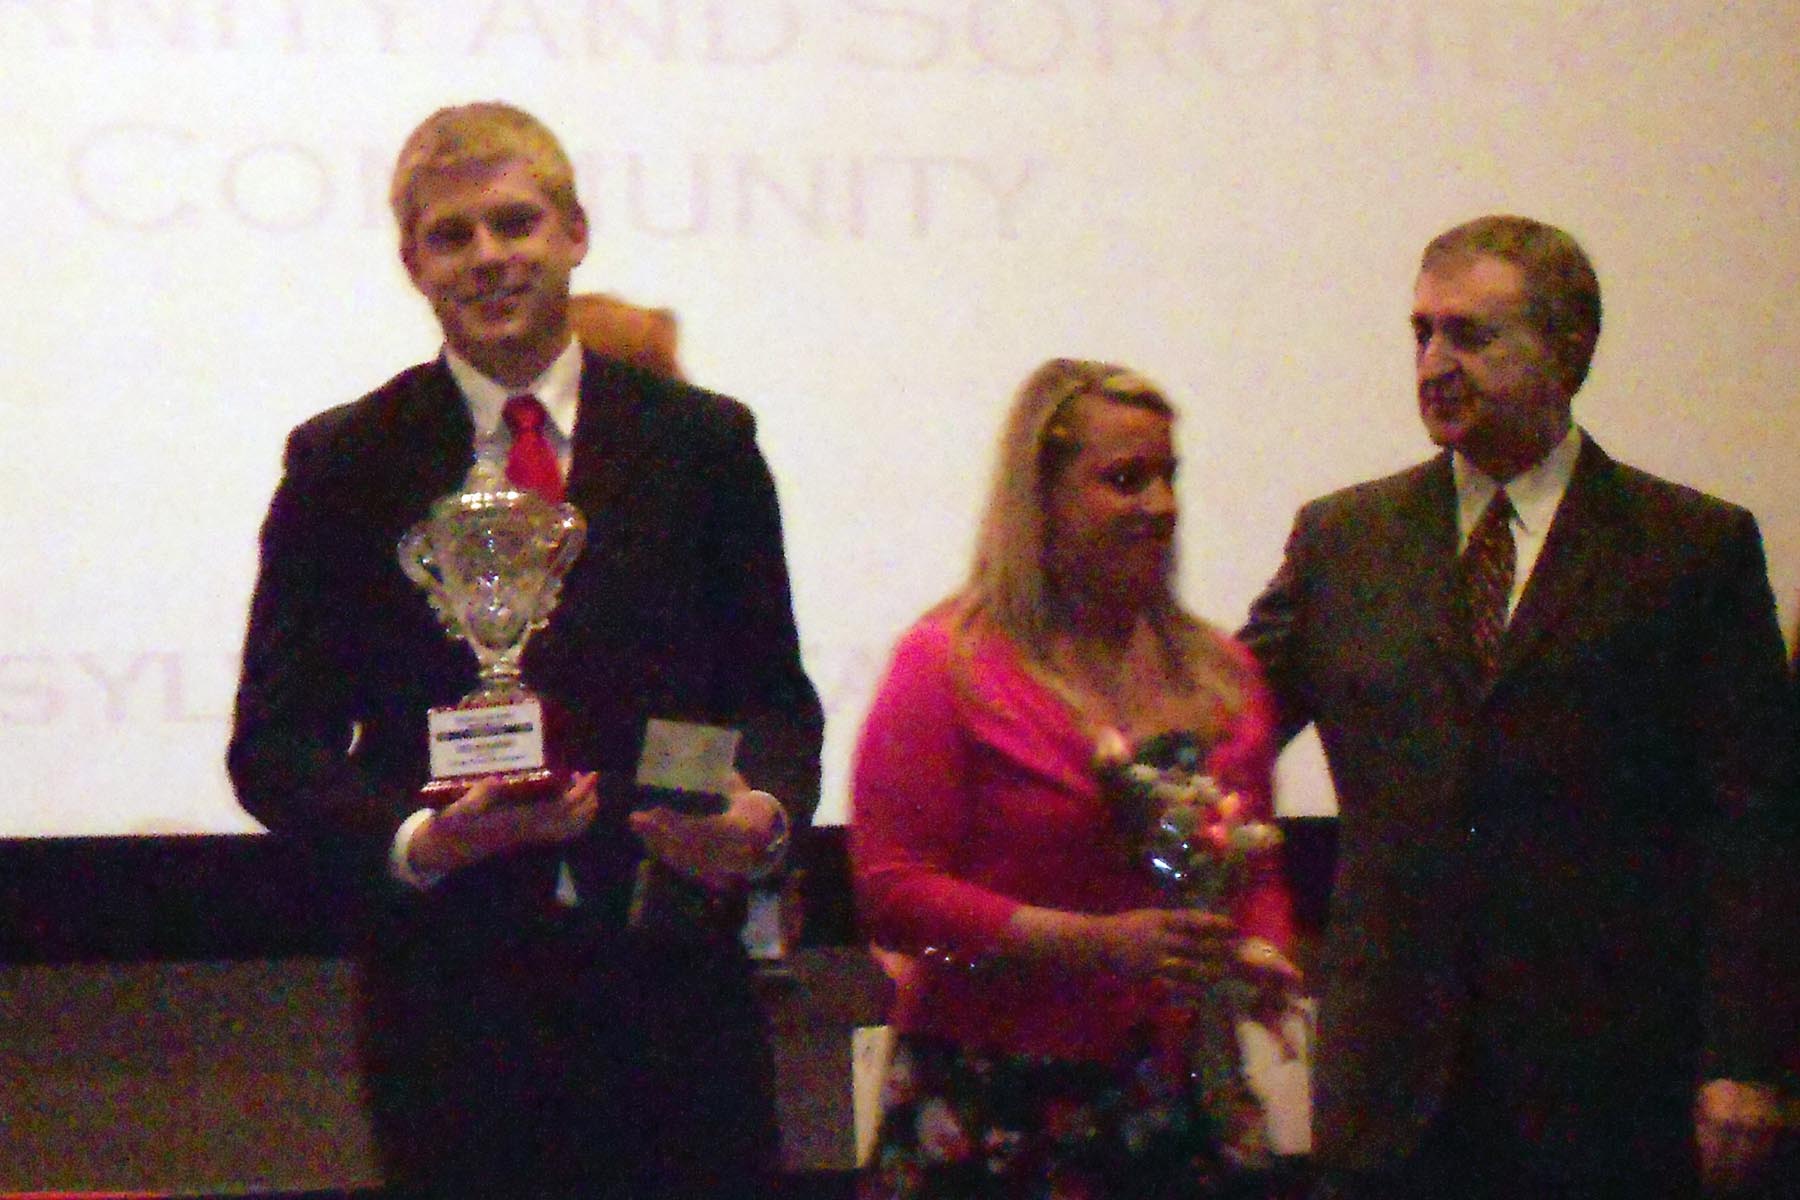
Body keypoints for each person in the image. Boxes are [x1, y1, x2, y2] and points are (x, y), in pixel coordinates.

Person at [227, 101, 822, 1200]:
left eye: (515, 223)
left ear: (575, 233)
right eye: (453, 236)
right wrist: (420, 838)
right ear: (413, 263)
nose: (489, 258)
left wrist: (762, 819)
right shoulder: (344, 463)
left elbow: (771, 695)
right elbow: (274, 746)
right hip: (454, 1010)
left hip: (675, 992)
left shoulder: (704, 443)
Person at [1239, 215, 1796, 1199]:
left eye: (1470, 334)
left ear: (1571, 347)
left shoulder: (1690, 549)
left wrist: (1746, 1058)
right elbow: (1226, 724)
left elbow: (1752, 825)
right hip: (1392, 1084)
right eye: (1420, 333)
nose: (1435, 363)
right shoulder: (1344, 541)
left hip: (1610, 1083)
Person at [851, 359, 1301, 1199]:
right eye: (1125, 480)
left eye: (1169, 476)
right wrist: (1096, 944)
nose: (1161, 506)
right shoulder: (949, 664)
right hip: (992, 1105)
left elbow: (1256, 870)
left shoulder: (1221, 673)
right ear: (1043, 497)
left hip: (1182, 1103)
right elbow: (893, 893)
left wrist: (1262, 948)